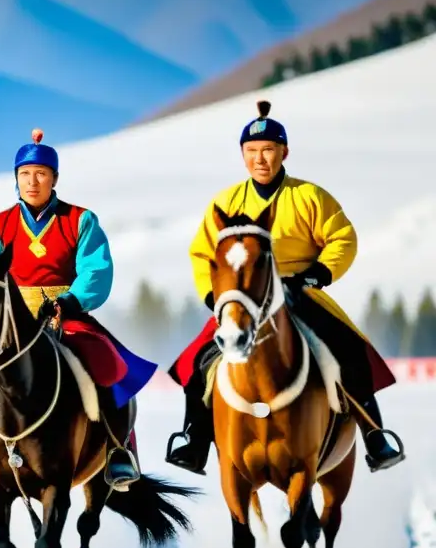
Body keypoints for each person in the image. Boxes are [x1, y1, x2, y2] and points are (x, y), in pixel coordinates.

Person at [164, 100, 404, 476]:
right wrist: (216, 296)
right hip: (243, 298)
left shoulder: (310, 196)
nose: (260, 159)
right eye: (252, 152)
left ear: (284, 152)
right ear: (243, 155)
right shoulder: (225, 203)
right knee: (198, 362)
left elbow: (343, 237)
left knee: (350, 352)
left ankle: (375, 436)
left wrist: (319, 272)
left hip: (301, 292)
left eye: (268, 150)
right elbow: (203, 253)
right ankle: (194, 440)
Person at [0, 129, 157, 488]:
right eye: (25, 174)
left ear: (54, 178)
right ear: (16, 180)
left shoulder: (80, 220)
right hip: (10, 322)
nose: (32, 181)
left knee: (106, 363)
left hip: (65, 314)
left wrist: (70, 301)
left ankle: (119, 448)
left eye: (40, 173)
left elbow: (96, 269)